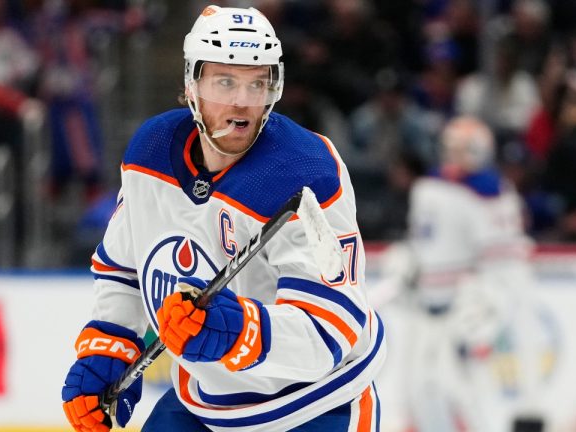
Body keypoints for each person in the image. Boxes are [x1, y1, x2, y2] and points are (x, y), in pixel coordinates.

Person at [60, 5, 385, 432]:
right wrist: (109, 346)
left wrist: (240, 332)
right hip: (205, 403)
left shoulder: (305, 171)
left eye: (258, 84)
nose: (242, 102)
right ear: (191, 84)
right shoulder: (151, 153)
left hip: (316, 405)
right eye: (225, 82)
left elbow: (330, 328)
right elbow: (124, 269)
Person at [397, 116, 546, 431]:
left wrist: (484, 299)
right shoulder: (434, 187)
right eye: (451, 147)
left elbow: (501, 260)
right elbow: (424, 243)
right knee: (423, 383)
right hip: (437, 298)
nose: (454, 155)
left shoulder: (487, 191)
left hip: (473, 297)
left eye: (462, 148)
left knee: (470, 383)